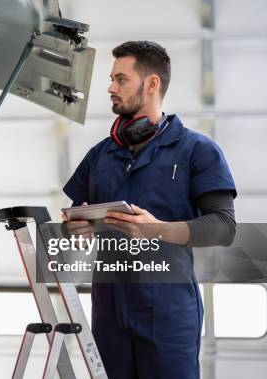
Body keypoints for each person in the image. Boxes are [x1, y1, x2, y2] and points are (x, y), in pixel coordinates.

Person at [63, 41, 237, 379]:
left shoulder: (196, 151)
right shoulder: (100, 156)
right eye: (111, 79)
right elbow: (75, 221)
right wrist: (76, 230)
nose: (111, 88)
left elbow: (223, 227)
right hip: (109, 314)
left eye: (121, 79)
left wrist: (155, 229)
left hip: (168, 316)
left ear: (152, 83)